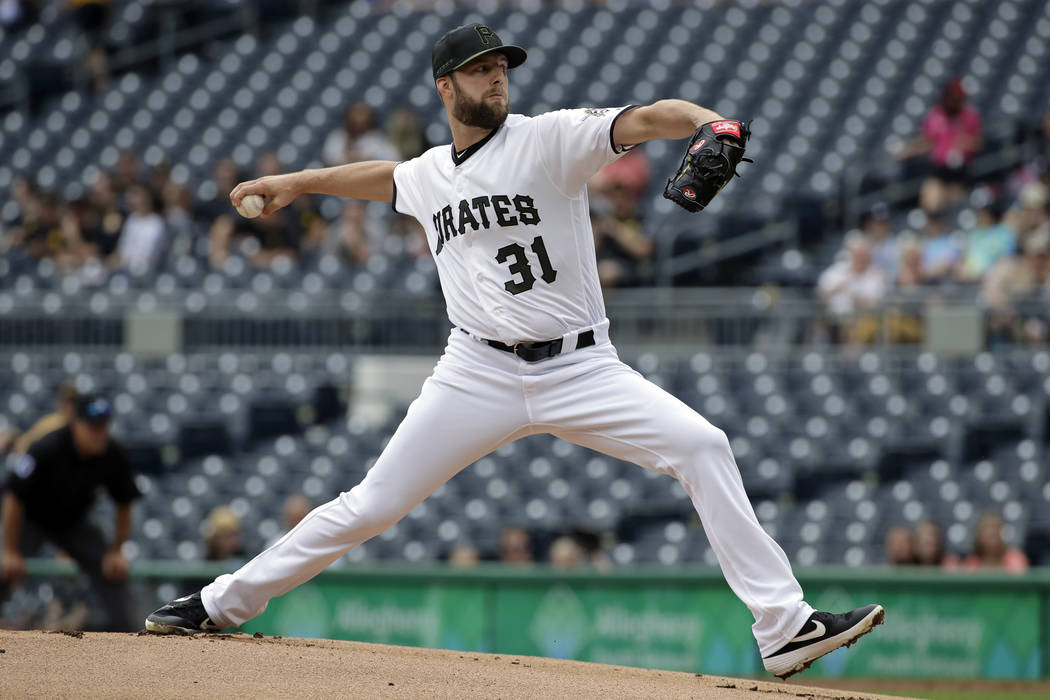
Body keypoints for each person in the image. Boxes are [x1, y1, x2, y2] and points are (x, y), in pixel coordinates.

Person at [144, 24, 883, 679]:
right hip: (475, 370)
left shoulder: (548, 138)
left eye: (502, 66)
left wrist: (708, 122)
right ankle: (218, 603)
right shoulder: (430, 173)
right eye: (479, 69)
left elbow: (650, 117)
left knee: (703, 445)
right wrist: (295, 184)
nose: (496, 76)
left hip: (580, 366)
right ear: (446, 87)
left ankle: (785, 627)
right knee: (369, 505)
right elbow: (385, 179)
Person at [1, 394, 140, 631]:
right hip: (32, 520)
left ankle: (132, 637)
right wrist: (10, 550)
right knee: (4, 568)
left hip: (74, 524)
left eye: (104, 426)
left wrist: (117, 550)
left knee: (112, 571)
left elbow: (124, 502)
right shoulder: (46, 446)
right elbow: (14, 496)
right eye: (92, 426)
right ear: (75, 423)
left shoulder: (112, 453)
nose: (99, 433)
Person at [896, 78, 982, 213]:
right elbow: (927, 141)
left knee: (957, 203)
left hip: (962, 171)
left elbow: (979, 143)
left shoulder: (970, 117)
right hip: (939, 169)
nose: (955, 101)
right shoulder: (935, 116)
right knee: (930, 196)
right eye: (953, 97)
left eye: (958, 98)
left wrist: (964, 143)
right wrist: (908, 148)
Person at [11, 381, 78, 456]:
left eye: (73, 401)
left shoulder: (85, 426)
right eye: (67, 401)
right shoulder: (49, 424)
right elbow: (23, 445)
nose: (69, 406)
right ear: (59, 402)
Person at [957, 512, 1028, 574]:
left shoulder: (1015, 559)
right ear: (979, 536)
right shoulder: (971, 564)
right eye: (988, 531)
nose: (992, 534)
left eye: (995, 529)